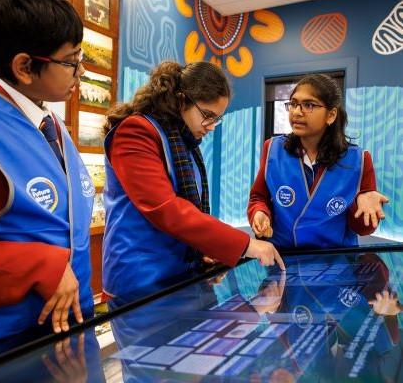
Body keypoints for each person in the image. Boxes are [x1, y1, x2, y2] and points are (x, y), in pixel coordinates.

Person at [0, 0, 94, 347]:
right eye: (71, 61)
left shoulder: (54, 126)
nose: (80, 72)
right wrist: (41, 266)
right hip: (6, 342)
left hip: (69, 333)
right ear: (25, 66)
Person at [103, 60, 285, 298]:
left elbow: (192, 209)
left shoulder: (184, 141)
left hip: (180, 274)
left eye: (216, 119)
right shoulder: (135, 132)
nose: (210, 127)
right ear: (181, 99)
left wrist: (206, 249)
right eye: (207, 116)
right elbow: (166, 208)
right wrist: (245, 244)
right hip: (142, 278)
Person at [247, 73, 388, 249]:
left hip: (334, 266)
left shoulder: (358, 160)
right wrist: (260, 213)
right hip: (282, 261)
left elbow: (363, 229)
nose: (297, 112)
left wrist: (361, 204)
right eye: (293, 104)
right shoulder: (272, 149)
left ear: (331, 115)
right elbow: (258, 197)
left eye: (309, 105)